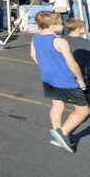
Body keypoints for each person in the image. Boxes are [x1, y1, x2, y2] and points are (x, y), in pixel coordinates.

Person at [30, 12, 89, 152]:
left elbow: (33, 55)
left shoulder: (36, 38)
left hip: (48, 78)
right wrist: (80, 80)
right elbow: (72, 63)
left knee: (57, 104)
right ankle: (62, 133)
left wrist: (47, 68)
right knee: (83, 111)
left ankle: (58, 134)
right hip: (65, 81)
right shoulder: (60, 41)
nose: (62, 26)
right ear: (52, 25)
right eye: (60, 23)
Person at [65, 18, 90, 85]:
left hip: (67, 70)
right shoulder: (85, 42)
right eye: (84, 27)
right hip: (82, 71)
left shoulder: (63, 39)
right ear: (78, 29)